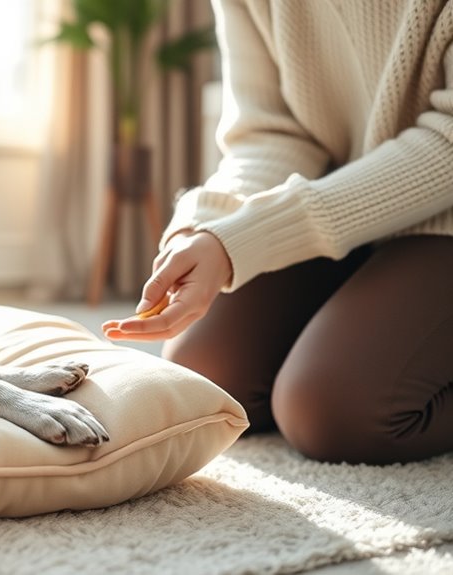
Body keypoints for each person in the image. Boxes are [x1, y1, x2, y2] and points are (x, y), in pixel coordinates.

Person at [102, 0, 453, 465]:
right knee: (207, 375)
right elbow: (271, 133)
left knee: (331, 412)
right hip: (342, 206)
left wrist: (245, 240)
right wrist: (203, 228)